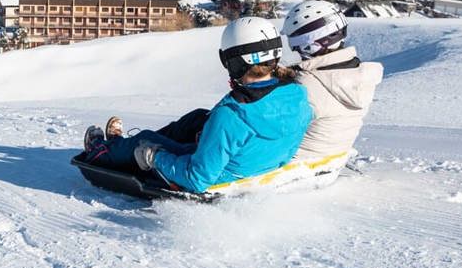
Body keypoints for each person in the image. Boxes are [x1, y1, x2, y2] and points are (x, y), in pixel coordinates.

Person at [82, 17, 313, 194]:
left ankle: (101, 151)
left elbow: (197, 178)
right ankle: (122, 148)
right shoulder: (297, 95)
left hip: (215, 178)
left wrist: (155, 157)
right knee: (197, 118)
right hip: (249, 165)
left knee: (143, 141)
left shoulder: (231, 114)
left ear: (234, 62)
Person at [280, 0, 383, 168]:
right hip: (332, 157)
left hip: (293, 165)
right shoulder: (360, 75)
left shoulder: (305, 85)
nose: (297, 52)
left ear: (309, 44)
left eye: (298, 47)